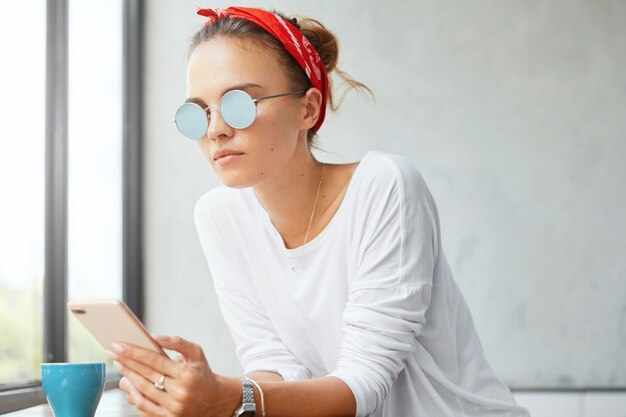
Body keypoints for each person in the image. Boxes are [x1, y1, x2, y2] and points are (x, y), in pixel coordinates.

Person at [108, 6, 530, 417]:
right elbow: (274, 364)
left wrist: (227, 399)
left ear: (308, 109)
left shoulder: (385, 186)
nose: (216, 129)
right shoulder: (218, 217)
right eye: (197, 112)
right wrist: (204, 400)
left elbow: (362, 385)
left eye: (240, 103)